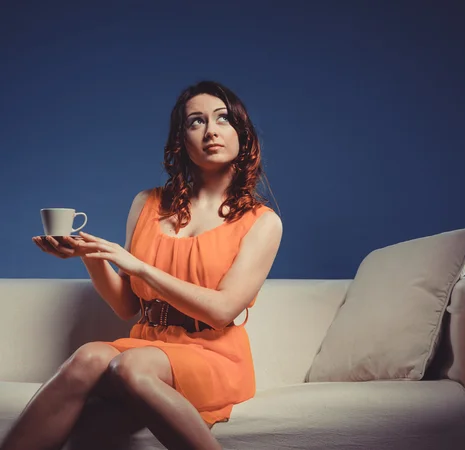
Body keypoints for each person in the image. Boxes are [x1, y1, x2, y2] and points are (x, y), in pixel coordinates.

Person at [1, 80, 283, 450]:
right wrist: (92, 255)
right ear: (181, 139)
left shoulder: (261, 222)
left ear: (242, 135)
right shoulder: (147, 204)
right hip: (148, 343)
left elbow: (222, 310)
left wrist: (139, 267)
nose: (211, 130)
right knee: (87, 357)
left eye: (223, 119)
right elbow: (127, 306)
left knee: (130, 367)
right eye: (195, 122)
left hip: (213, 355)